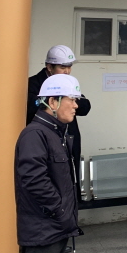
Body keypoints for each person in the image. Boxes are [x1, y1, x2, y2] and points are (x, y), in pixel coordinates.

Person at [14, 74, 83, 253]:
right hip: (44, 229)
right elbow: (34, 180)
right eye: (71, 99)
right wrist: (60, 210)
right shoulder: (35, 134)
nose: (76, 105)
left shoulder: (55, 133)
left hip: (56, 227)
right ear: (52, 102)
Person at [27, 45, 91, 199]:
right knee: (52, 180)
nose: (67, 71)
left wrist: (67, 99)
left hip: (69, 138)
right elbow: (32, 107)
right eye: (63, 67)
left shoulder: (69, 83)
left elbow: (85, 106)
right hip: (47, 139)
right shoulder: (33, 84)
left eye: (69, 67)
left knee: (71, 178)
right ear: (49, 67)